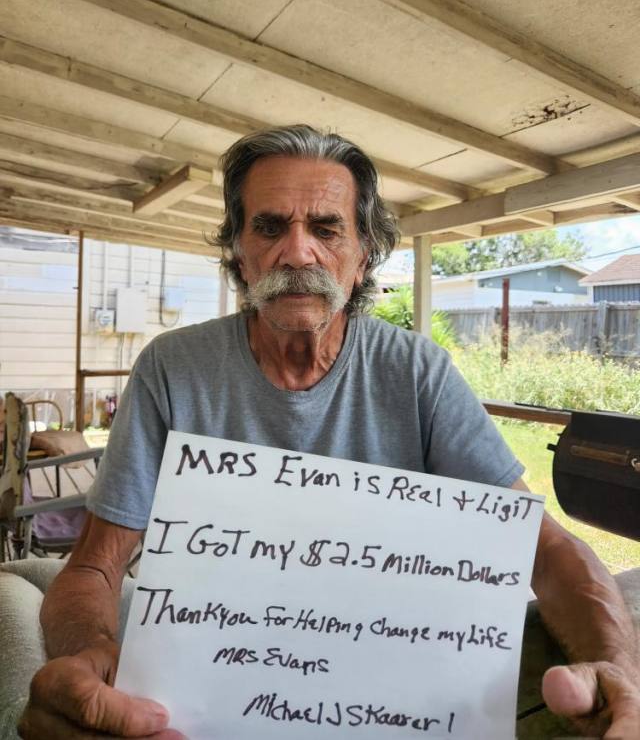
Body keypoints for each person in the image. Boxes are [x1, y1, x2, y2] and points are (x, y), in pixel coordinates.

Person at [18, 126, 639, 739]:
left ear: (363, 255)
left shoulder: (416, 372)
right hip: (210, 687)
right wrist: (86, 654)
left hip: (386, 696)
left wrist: (617, 669)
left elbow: (542, 548)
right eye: (269, 227)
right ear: (239, 252)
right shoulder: (173, 369)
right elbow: (95, 568)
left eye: (325, 228)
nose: (297, 253)